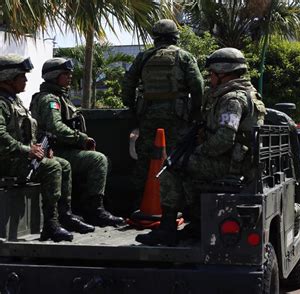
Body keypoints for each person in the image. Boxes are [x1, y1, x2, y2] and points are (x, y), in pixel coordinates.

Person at [135, 47, 266, 246]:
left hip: (232, 164)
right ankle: (197, 224)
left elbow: (224, 139)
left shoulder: (232, 99)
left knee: (171, 169)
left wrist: (197, 152)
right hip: (238, 160)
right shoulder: (243, 93)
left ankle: (167, 229)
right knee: (184, 166)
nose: (210, 79)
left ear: (223, 74)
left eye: (212, 74)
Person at [0, 54, 93, 242]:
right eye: (22, 77)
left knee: (63, 164)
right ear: (9, 78)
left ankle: (63, 215)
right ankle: (50, 224)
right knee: (52, 167)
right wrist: (28, 150)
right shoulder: (2, 103)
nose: (26, 80)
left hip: (18, 157)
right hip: (7, 161)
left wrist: (41, 148)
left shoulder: (14, 101)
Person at [29, 58, 124, 227]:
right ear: (54, 76)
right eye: (65, 74)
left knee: (102, 160)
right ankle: (95, 211)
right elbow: (55, 127)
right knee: (98, 160)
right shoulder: (50, 99)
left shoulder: (60, 97)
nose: (70, 77)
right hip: (54, 150)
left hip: (63, 148)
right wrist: (81, 138)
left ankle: (87, 206)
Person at [121, 19, 204, 205]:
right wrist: (195, 111)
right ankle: (178, 205)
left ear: (155, 38)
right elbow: (198, 86)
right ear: (175, 37)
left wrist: (133, 108)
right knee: (177, 156)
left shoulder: (144, 57)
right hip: (177, 114)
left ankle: (138, 202)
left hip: (148, 113)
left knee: (145, 157)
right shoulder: (184, 56)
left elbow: (128, 84)